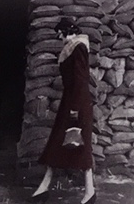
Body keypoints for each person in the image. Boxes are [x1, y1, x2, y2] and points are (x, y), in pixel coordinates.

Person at [33, 17, 94, 204]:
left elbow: (81, 80)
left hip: (77, 103)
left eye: (60, 33)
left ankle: (90, 191)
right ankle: (44, 187)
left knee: (80, 147)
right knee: (57, 143)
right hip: (70, 101)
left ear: (69, 31)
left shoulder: (78, 48)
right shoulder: (71, 48)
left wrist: (74, 110)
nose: (59, 37)